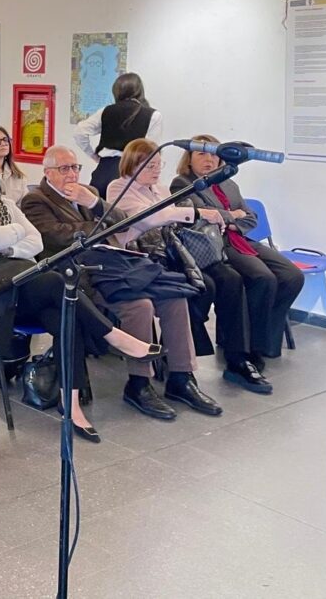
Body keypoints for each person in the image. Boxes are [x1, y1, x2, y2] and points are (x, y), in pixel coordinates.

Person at [0, 146, 163, 441]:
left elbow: (35, 242)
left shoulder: (5, 203)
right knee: (57, 282)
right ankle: (114, 336)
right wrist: (15, 233)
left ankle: (71, 406)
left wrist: (5, 244)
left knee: (66, 316)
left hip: (18, 284)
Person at [22, 146, 221, 419]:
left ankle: (181, 376)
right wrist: (100, 227)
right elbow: (56, 236)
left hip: (113, 265)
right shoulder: (35, 200)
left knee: (174, 296)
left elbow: (124, 222)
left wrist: (94, 204)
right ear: (48, 173)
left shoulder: (88, 192)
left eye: (75, 167)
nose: (72, 174)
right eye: (64, 169)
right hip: (78, 274)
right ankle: (139, 383)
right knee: (139, 305)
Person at [107, 139, 271, 394]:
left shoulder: (160, 188)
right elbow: (152, 217)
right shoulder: (119, 187)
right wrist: (197, 213)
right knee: (203, 286)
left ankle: (237, 357)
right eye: (150, 165)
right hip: (145, 258)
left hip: (174, 252)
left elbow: (173, 221)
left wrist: (193, 215)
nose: (156, 170)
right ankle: (179, 359)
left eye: (158, 165)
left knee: (230, 278)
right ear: (132, 165)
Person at [172, 137, 304, 362]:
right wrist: (234, 215)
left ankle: (266, 340)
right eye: (202, 154)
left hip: (240, 237)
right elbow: (201, 215)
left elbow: (251, 218)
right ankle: (250, 347)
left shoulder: (228, 183)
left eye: (214, 155)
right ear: (189, 159)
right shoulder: (183, 183)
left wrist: (230, 221)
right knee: (263, 278)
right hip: (214, 243)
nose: (209, 159)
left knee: (292, 276)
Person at [75, 72, 162, 197]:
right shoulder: (153, 115)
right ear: (140, 91)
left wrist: (94, 156)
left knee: (96, 207)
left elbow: (79, 132)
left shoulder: (105, 111)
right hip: (132, 173)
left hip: (104, 170)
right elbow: (151, 152)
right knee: (129, 209)